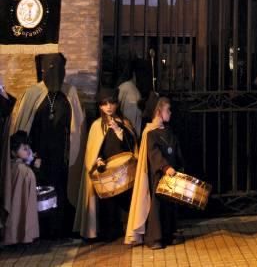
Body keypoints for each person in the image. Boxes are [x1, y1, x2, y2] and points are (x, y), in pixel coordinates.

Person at [6, 53, 84, 238]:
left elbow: (77, 127)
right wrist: (28, 155)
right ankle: (37, 230)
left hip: (61, 155)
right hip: (37, 154)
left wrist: (71, 155)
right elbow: (24, 125)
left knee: (60, 189)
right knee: (38, 189)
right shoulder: (33, 93)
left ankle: (59, 230)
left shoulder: (70, 93)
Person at [74, 87, 138, 240]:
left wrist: (118, 130)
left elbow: (131, 147)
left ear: (117, 104)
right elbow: (94, 150)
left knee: (128, 200)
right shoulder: (97, 126)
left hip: (124, 171)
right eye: (105, 104)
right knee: (107, 204)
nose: (108, 107)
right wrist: (98, 159)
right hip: (106, 172)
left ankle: (132, 228)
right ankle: (109, 232)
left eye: (111, 103)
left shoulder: (124, 123)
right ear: (100, 106)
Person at [126, 97, 184, 249]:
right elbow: (154, 153)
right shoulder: (150, 132)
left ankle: (169, 234)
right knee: (157, 205)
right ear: (159, 112)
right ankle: (154, 237)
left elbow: (175, 147)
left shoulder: (168, 130)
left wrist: (179, 165)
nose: (170, 113)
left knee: (170, 204)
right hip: (158, 175)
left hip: (171, 174)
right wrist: (165, 167)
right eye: (167, 110)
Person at [2, 131, 39, 245]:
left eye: (28, 147)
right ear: (13, 152)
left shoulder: (13, 167)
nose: (28, 150)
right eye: (23, 148)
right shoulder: (22, 170)